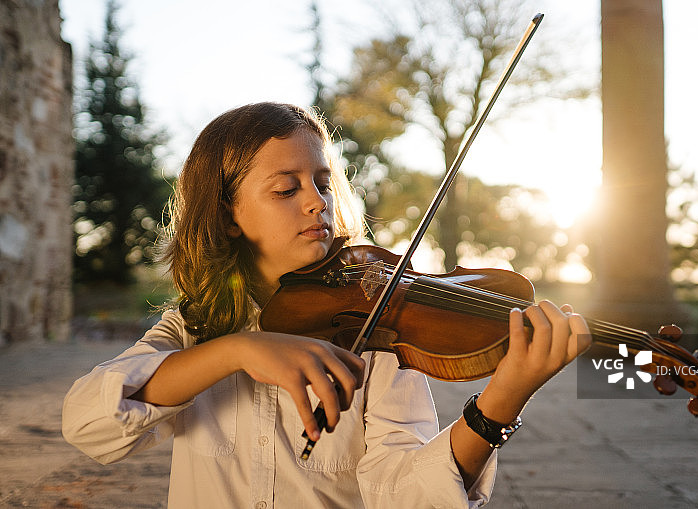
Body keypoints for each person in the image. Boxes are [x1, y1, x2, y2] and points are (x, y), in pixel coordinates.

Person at [62, 102, 591, 508]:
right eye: (284, 189)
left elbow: (404, 494)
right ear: (227, 216)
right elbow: (87, 422)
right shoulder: (193, 328)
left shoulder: (377, 331)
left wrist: (504, 398)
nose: (316, 200)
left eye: (322, 182)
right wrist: (237, 351)